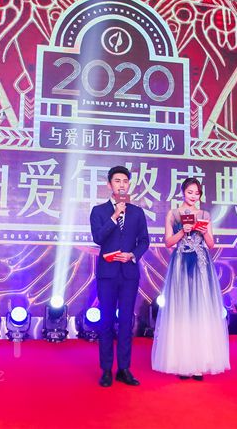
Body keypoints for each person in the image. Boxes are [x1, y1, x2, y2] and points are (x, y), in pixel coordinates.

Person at [151, 177, 230, 380]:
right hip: (180, 264)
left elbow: (211, 244)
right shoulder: (173, 214)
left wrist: (204, 232)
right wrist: (182, 232)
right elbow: (168, 242)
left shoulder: (204, 215)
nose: (193, 196)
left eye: (197, 193)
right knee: (181, 310)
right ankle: (182, 362)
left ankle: (199, 363)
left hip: (201, 265)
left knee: (200, 310)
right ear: (183, 193)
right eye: (190, 192)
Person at [90, 165, 150, 387]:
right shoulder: (99, 211)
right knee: (106, 320)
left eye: (125, 181)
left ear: (129, 184)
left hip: (129, 274)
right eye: (117, 181)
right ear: (109, 185)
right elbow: (98, 238)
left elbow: (144, 240)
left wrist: (132, 255)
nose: (121, 184)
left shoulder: (137, 212)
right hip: (107, 274)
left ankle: (124, 368)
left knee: (126, 321)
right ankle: (106, 369)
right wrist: (115, 216)